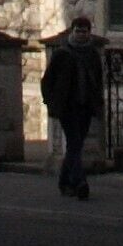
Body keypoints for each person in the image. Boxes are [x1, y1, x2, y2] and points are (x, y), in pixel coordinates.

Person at [41, 13, 102, 200]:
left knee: (75, 146)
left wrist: (97, 102)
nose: (81, 35)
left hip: (85, 106)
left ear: (89, 33)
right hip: (68, 107)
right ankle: (80, 181)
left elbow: (97, 81)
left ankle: (64, 181)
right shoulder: (62, 54)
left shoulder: (92, 54)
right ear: (72, 32)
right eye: (78, 31)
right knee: (74, 142)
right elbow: (47, 81)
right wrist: (51, 101)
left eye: (84, 32)